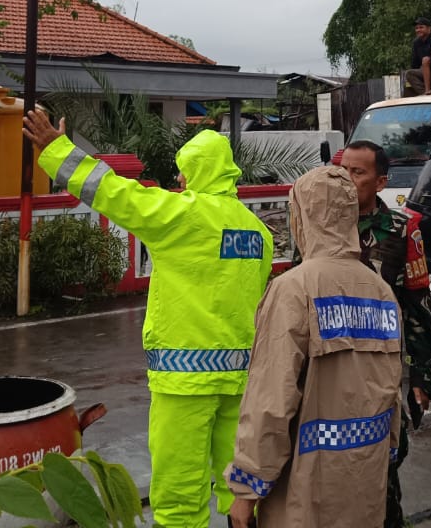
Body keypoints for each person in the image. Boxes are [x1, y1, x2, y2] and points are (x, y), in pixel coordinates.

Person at [22, 108, 272, 528]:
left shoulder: (182, 215)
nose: (180, 181)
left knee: (179, 495)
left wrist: (56, 150)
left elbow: (113, 192)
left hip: (185, 382)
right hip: (241, 382)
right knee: (243, 489)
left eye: (183, 172)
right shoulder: (257, 232)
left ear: (194, 172)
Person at [226, 165, 403, 528]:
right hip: (365, 480)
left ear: (302, 215)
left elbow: (271, 399)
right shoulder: (381, 291)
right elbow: (392, 391)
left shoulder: (294, 289)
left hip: (306, 486)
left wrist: (247, 488)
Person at [339, 140, 431, 528]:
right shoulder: (319, 224)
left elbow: (419, 306)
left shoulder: (402, 230)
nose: (346, 179)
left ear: (380, 182)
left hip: (379, 368)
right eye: (341, 170)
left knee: (385, 462)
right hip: (331, 365)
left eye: (357, 172)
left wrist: (423, 377)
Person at [406, 17, 431, 96]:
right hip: (423, 70)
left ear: (429, 28)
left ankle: (429, 90)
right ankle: (425, 93)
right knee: (409, 73)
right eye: (416, 28)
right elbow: (414, 62)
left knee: (426, 60)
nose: (418, 30)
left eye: (421, 27)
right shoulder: (416, 42)